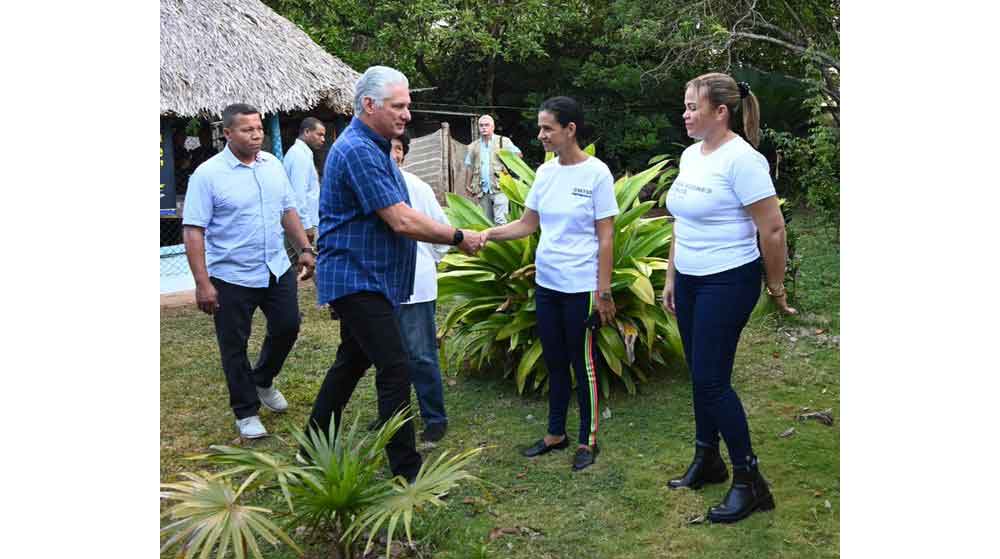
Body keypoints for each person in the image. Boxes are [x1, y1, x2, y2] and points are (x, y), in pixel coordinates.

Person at [304, 66, 484, 482]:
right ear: (369, 105)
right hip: (356, 277)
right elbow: (402, 220)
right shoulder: (358, 151)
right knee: (395, 366)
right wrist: (459, 236)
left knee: (351, 362)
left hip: (371, 276)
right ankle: (406, 471)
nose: (407, 114)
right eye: (398, 106)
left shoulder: (376, 145)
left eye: (408, 105)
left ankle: (310, 447)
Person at [662, 73, 796, 524]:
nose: (685, 114)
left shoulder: (744, 160)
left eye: (692, 106)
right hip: (692, 278)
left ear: (721, 111)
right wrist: (671, 276)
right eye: (684, 105)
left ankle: (750, 480)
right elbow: (681, 221)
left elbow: (772, 228)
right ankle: (708, 459)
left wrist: (775, 288)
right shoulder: (689, 155)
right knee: (701, 377)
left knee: (712, 381)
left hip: (729, 279)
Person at [482, 96, 618, 472]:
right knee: (555, 360)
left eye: (547, 128)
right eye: (540, 128)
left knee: (582, 362)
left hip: (581, 286)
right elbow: (528, 224)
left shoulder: (597, 174)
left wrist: (603, 291)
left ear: (570, 130)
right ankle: (555, 433)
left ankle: (587, 440)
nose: (540, 135)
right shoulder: (545, 174)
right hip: (548, 283)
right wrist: (488, 234)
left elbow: (606, 237)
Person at [182, 103, 316, 440]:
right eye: (247, 130)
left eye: (258, 129)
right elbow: (193, 229)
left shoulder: (273, 165)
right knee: (234, 345)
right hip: (230, 274)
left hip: (274, 266)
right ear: (227, 133)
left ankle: (263, 379)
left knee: (288, 326)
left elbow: (287, 210)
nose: (256, 135)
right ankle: (245, 411)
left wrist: (304, 249)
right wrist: (202, 282)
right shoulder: (208, 175)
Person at [390, 132, 451, 442]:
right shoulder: (365, 185)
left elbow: (441, 232)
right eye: (386, 147)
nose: (392, 153)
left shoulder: (418, 188)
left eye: (398, 148)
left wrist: (426, 262)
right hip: (379, 289)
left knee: (421, 355)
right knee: (388, 356)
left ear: (404, 154)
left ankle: (434, 417)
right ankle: (393, 417)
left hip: (416, 285)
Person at [464, 114, 522, 225]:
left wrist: (506, 155)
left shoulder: (503, 141)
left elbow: (519, 155)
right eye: (481, 125)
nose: (484, 128)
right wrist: (467, 184)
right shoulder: (473, 146)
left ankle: (502, 242)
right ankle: (489, 242)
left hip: (500, 186)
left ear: (493, 127)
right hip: (482, 189)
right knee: (486, 221)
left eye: (487, 125)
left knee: (501, 220)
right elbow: (469, 166)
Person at [283, 117, 326, 260]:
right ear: (307, 132)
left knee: (291, 265)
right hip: (303, 223)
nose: (323, 139)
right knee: (316, 266)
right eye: (319, 134)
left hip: (301, 221)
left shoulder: (302, 154)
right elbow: (298, 194)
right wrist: (307, 226)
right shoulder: (298, 156)